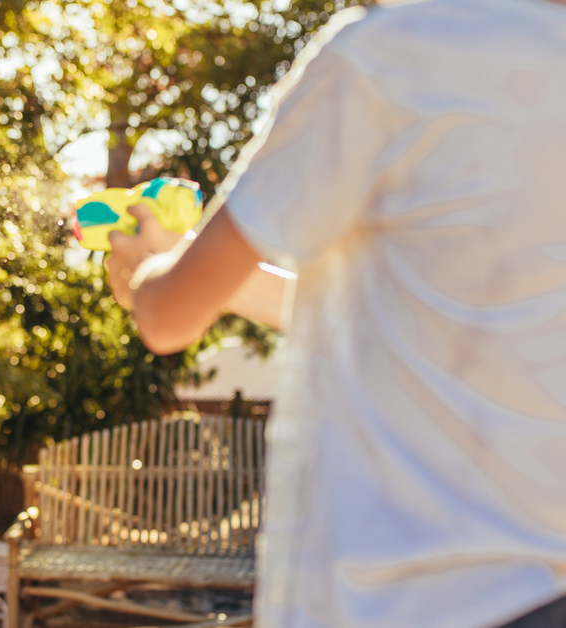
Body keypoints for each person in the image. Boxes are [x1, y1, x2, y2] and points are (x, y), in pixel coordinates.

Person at [105, 1, 566, 627]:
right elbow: (397, 313)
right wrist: (213, 275)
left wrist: (147, 271)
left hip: (401, 600)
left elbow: (168, 319)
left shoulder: (391, 56)